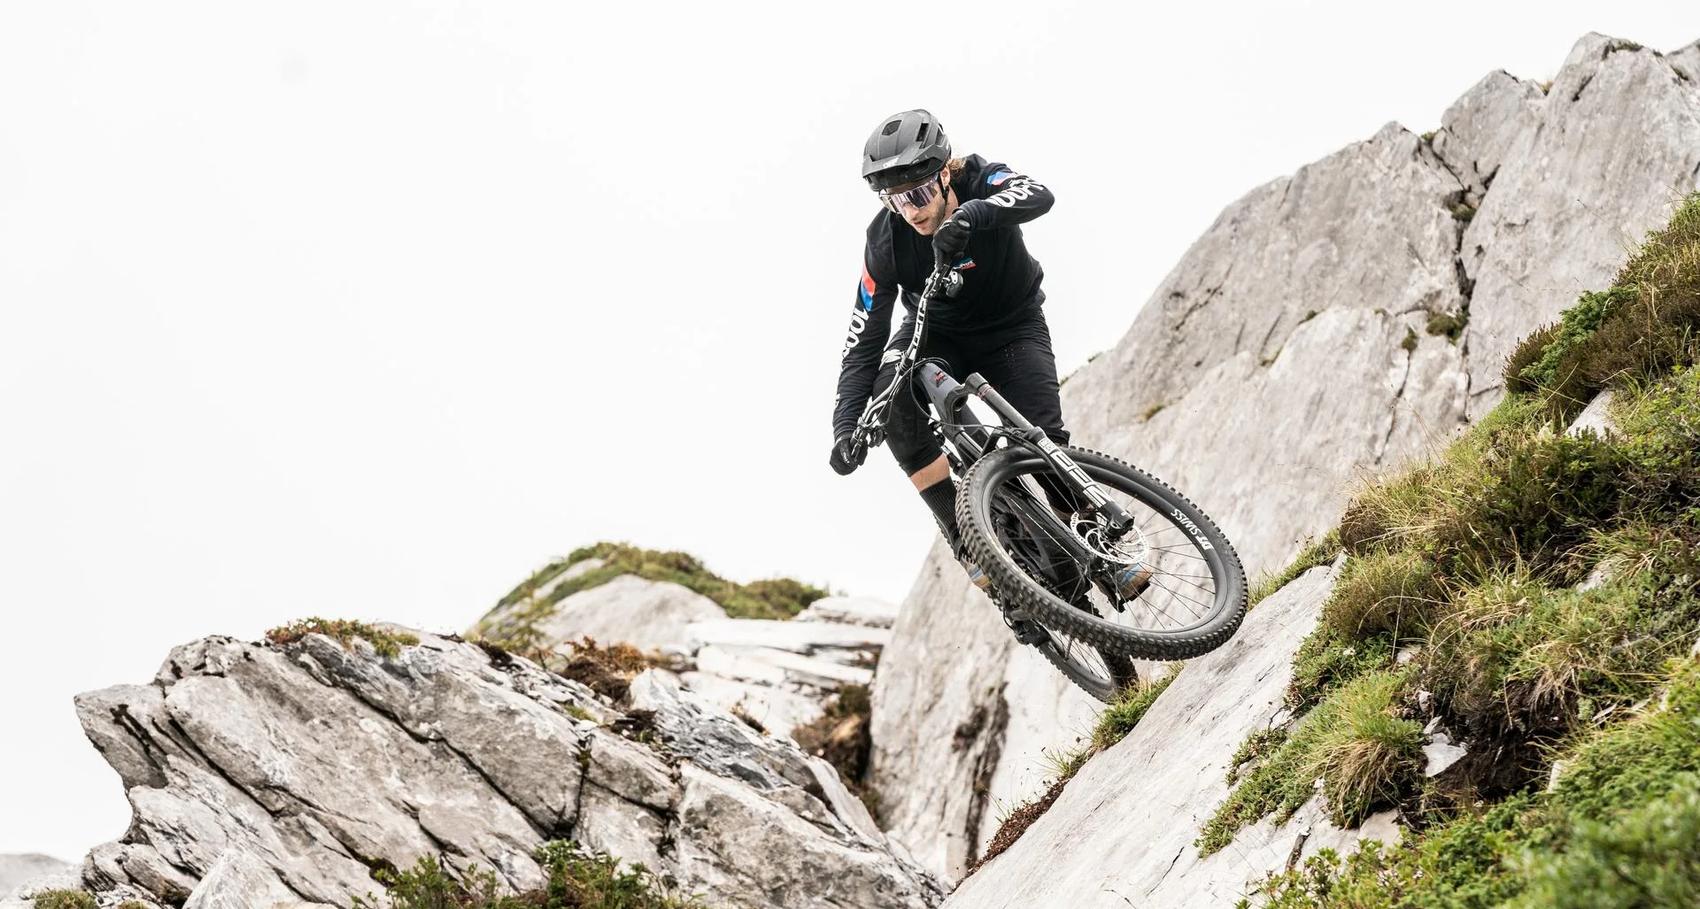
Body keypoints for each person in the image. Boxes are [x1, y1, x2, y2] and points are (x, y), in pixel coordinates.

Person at [828, 109, 1071, 591]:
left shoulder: (980, 177)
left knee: (1045, 440)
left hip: (1012, 327)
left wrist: (972, 215)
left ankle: (1084, 530)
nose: (912, 211)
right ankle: (962, 533)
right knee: (890, 396)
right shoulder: (884, 241)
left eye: (918, 194)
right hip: (935, 334)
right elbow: (863, 339)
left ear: (944, 172)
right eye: (896, 201)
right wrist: (844, 425)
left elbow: (1038, 193)